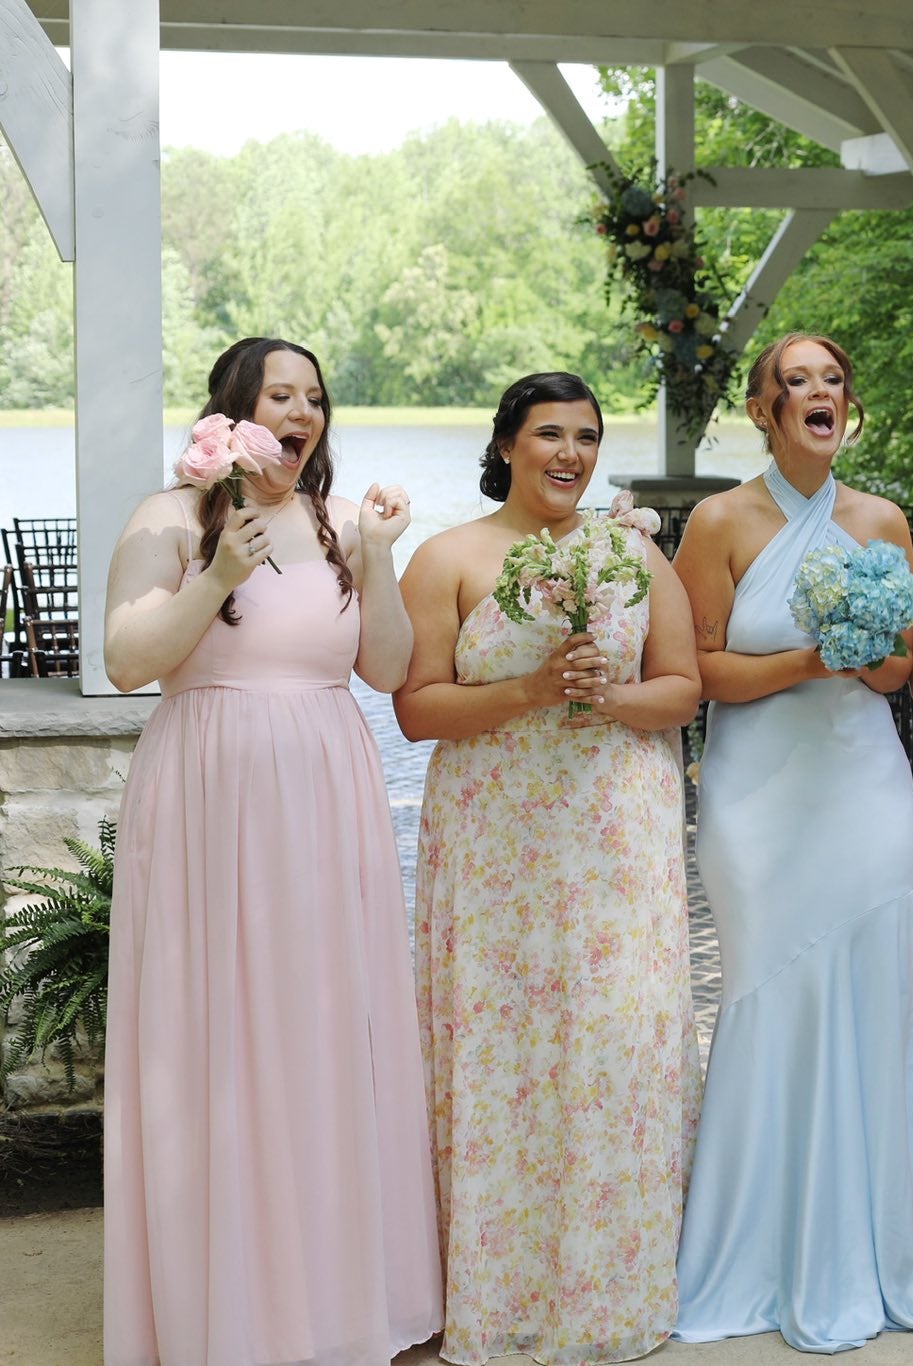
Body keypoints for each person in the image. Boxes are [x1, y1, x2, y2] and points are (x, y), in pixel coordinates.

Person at [102, 337, 441, 1364]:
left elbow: (386, 669)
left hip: (325, 797)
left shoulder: (338, 526)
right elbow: (125, 661)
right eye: (278, 395)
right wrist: (217, 575)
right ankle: (228, 1311)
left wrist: (379, 556)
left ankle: (339, 1300)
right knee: (214, 1039)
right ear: (233, 413)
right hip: (210, 792)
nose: (301, 411)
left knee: (327, 1030)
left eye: (315, 398)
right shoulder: (166, 519)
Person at [395, 372, 704, 1364]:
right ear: (506, 445)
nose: (568, 453)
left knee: (613, 1048)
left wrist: (609, 697)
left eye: (585, 436)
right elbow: (414, 708)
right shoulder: (446, 557)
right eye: (547, 434)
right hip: (495, 848)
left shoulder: (632, 551)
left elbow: (685, 688)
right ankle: (494, 1290)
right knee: (503, 1051)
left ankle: (611, 1288)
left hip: (615, 837)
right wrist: (529, 689)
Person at [670, 333, 913, 1353]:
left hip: (863, 788)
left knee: (870, 998)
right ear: (762, 408)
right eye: (793, 380)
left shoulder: (881, 519)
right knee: (769, 994)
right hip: (757, 799)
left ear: (849, 404)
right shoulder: (718, 521)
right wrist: (809, 653)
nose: (816, 393)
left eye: (832, 379)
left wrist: (864, 653)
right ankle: (752, 1252)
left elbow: (896, 677)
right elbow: (699, 669)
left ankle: (866, 1253)